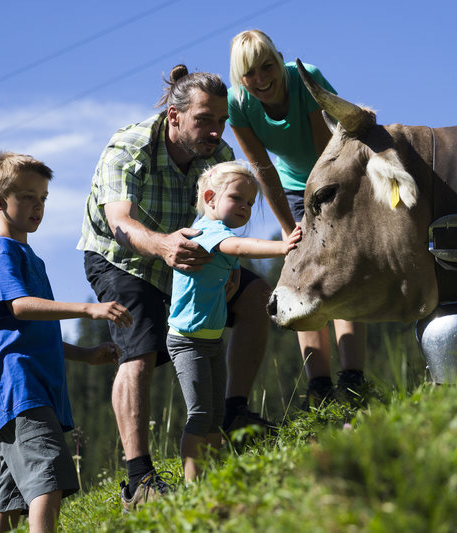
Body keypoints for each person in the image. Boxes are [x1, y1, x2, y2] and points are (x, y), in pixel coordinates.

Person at [77, 65, 275, 510]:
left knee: (257, 297)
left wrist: (233, 273)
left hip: (189, 257)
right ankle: (138, 478)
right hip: (123, 256)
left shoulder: (218, 154)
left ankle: (233, 416)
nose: (215, 130)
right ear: (174, 116)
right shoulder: (128, 147)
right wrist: (163, 246)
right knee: (139, 347)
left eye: (221, 120)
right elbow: (120, 223)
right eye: (205, 119)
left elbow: (228, 222)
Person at [0, 152, 133, 533]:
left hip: (33, 387)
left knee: (9, 505)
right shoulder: (1, 251)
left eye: (43, 197)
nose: (37, 206)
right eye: (26, 196)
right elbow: (19, 307)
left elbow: (31, 331)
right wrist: (87, 310)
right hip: (18, 388)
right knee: (49, 480)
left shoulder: (30, 257)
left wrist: (85, 355)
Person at [228, 30, 370, 408]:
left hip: (337, 173)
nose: (260, 79)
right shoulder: (238, 103)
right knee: (301, 274)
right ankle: (320, 389)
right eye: (249, 74)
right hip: (293, 187)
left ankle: (353, 382)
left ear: (279, 60)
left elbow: (329, 154)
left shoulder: (304, 78)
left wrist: (329, 212)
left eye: (267, 66)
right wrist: (292, 231)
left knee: (341, 270)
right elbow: (264, 170)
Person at [167, 161, 301, 483]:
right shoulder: (208, 231)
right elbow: (237, 246)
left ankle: (213, 479)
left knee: (214, 418)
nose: (245, 207)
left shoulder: (217, 233)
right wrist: (283, 246)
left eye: (250, 203)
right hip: (188, 342)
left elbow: (231, 256)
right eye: (237, 199)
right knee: (200, 416)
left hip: (211, 340)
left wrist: (235, 272)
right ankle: (191, 485)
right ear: (211, 197)